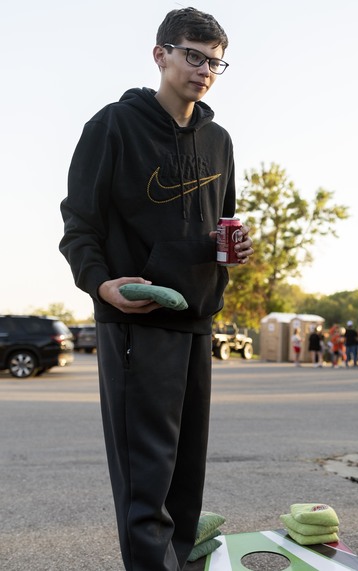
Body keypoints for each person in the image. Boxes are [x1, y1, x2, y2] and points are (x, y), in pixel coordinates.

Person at [58, 8, 253, 571]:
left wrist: (229, 254)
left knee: (186, 479)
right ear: (161, 54)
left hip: (198, 321)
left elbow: (222, 223)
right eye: (194, 55)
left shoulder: (219, 140)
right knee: (148, 481)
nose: (205, 69)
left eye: (215, 61)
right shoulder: (112, 126)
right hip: (136, 323)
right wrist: (101, 286)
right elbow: (79, 227)